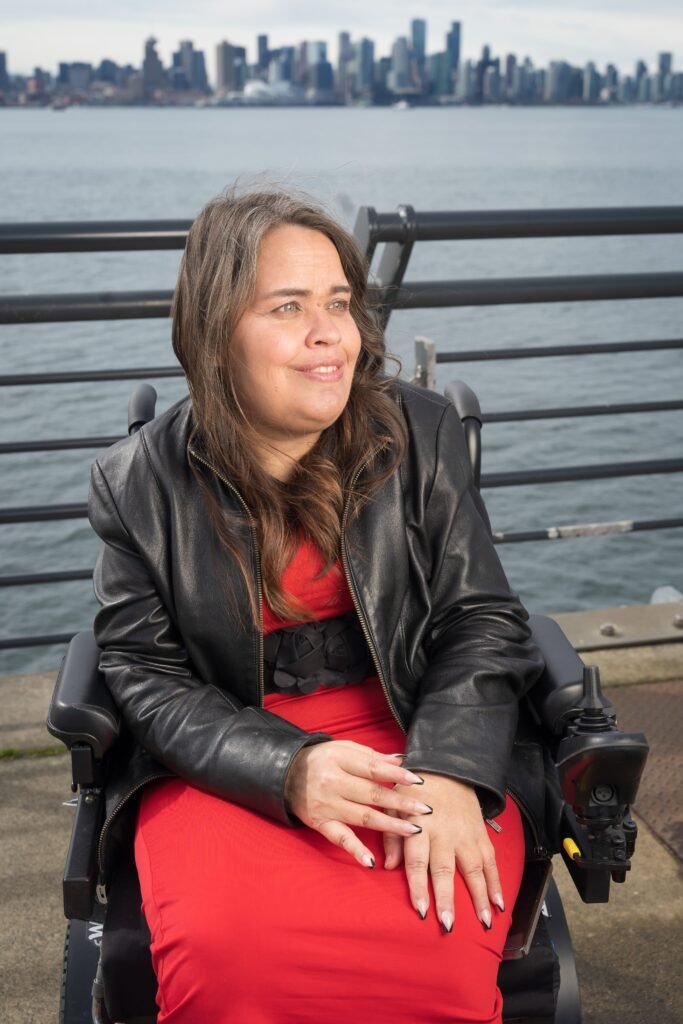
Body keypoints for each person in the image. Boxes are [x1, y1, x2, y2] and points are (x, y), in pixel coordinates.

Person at [89, 188, 545, 1024]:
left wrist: (450, 770)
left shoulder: (420, 432)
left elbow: (482, 619)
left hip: (416, 733)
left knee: (437, 956)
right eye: (287, 306)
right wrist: (285, 768)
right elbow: (143, 674)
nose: (331, 332)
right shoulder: (137, 485)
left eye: (337, 302)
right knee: (228, 967)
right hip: (230, 754)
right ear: (215, 331)